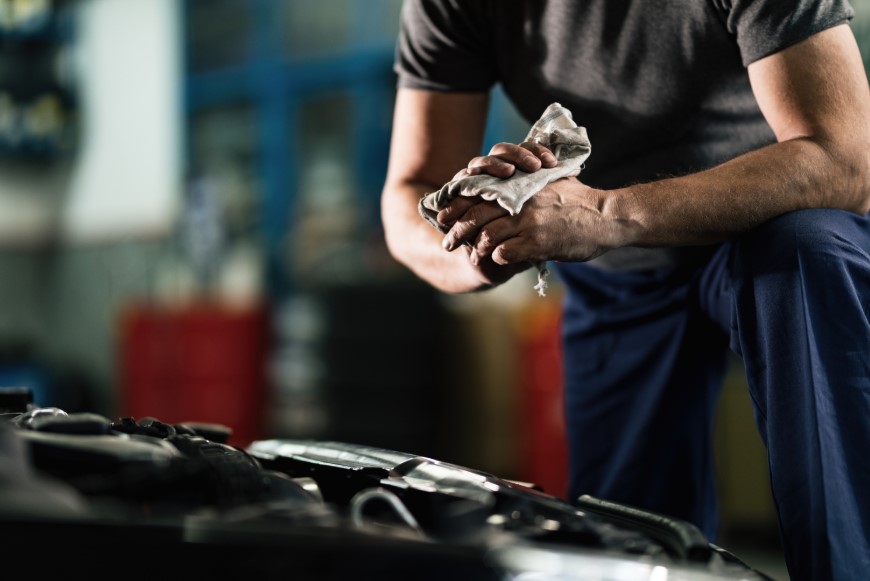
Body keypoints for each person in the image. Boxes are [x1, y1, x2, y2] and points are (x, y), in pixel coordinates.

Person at [379, 1, 870, 579]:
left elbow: (847, 160)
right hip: (614, 270)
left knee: (808, 250)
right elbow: (405, 202)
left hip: (764, 233)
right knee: (625, 541)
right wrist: (489, 238)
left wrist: (608, 212)